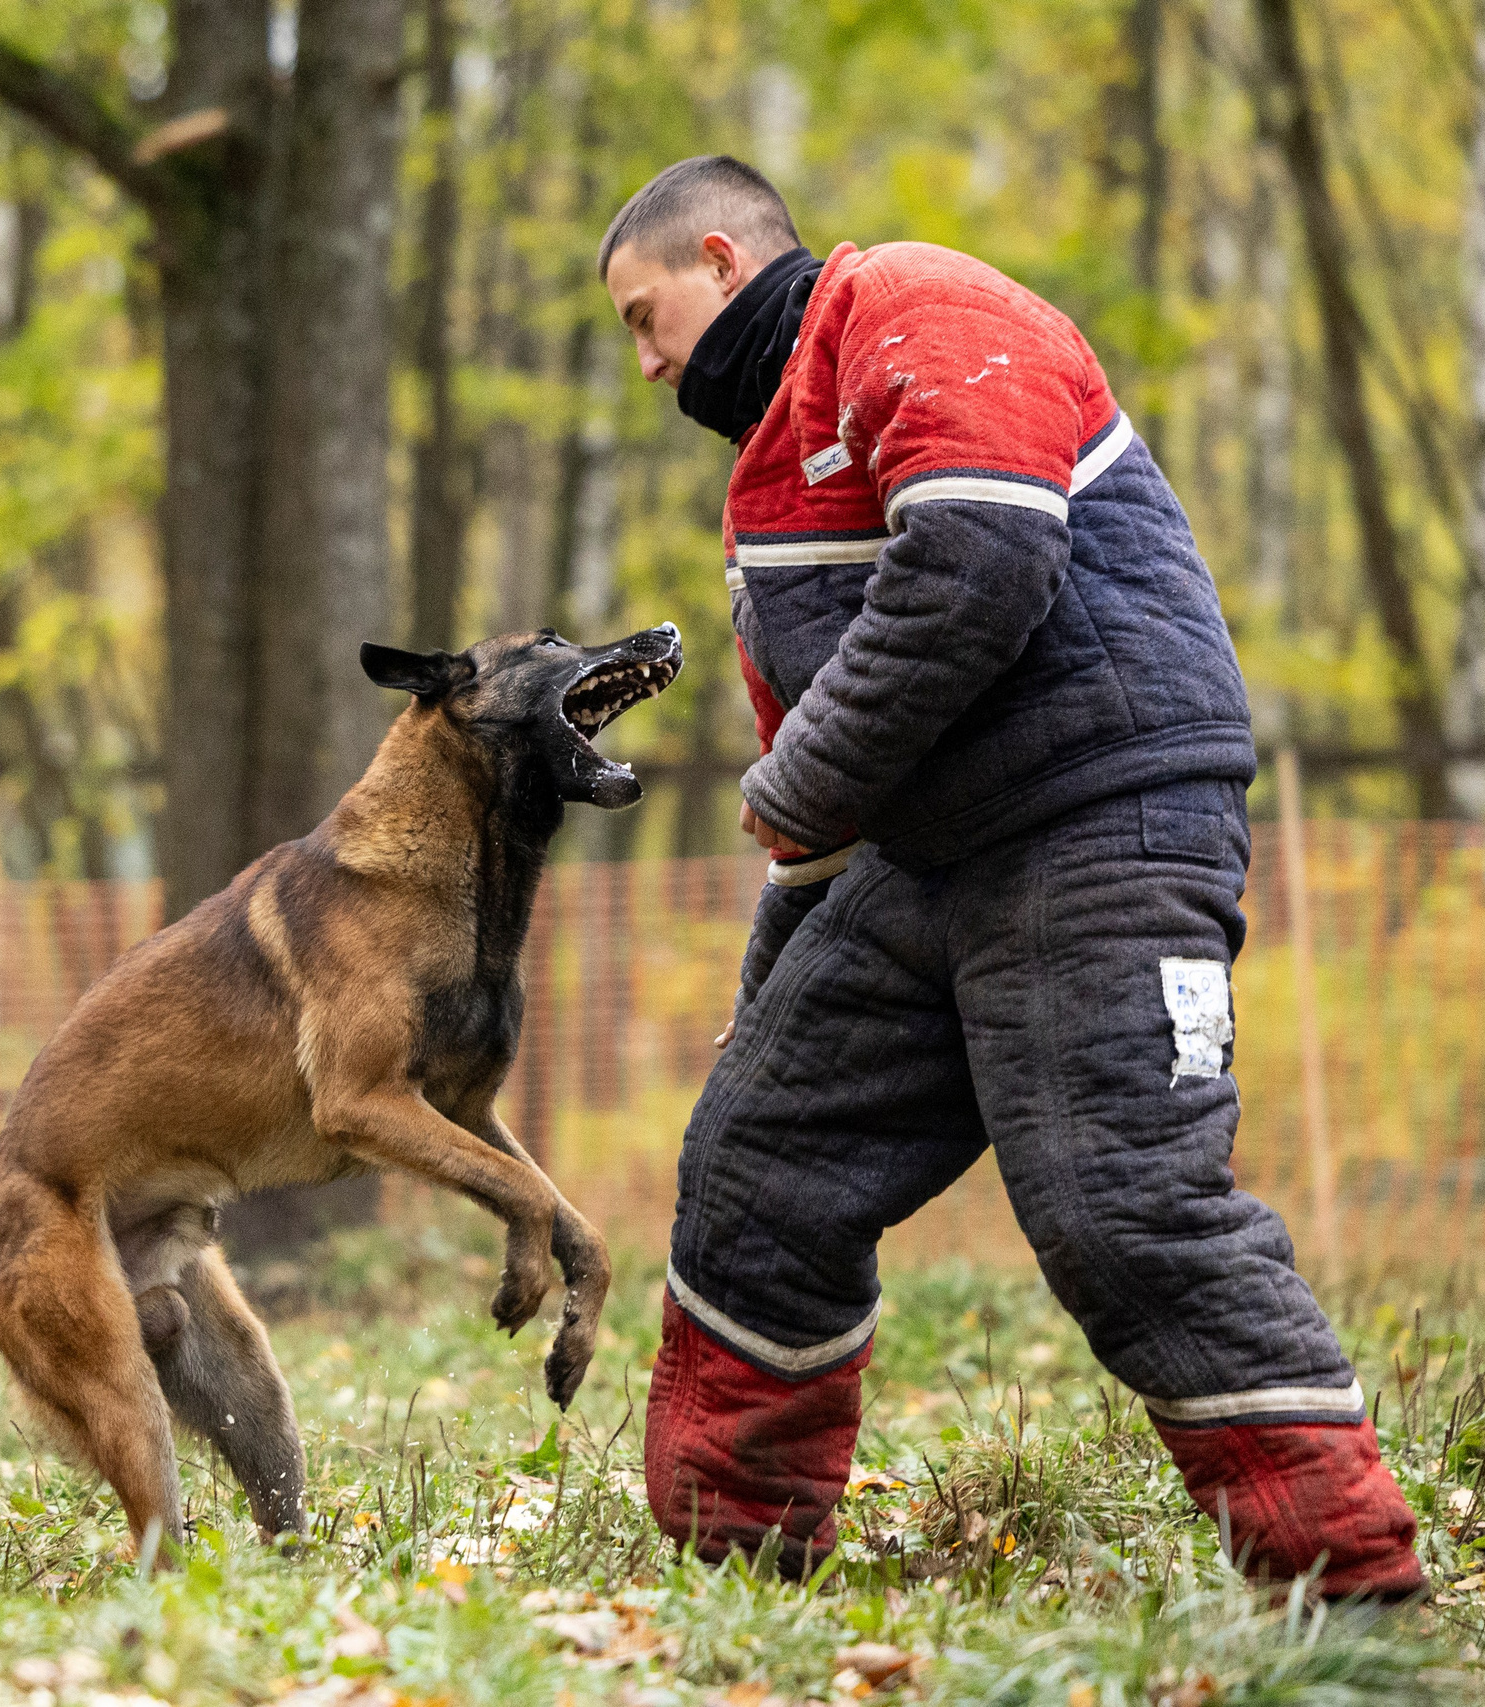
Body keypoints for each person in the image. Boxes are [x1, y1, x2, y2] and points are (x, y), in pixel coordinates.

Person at [599, 154, 1423, 1600]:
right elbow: (819, 819)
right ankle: (738, 1573)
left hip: (1104, 814)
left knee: (1121, 1206)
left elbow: (981, 558)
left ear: (722, 261)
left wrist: (796, 780)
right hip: (933, 858)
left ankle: (1348, 1595)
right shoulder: (771, 489)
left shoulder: (913, 302)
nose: (648, 364)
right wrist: (768, 996)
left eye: (642, 317)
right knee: (759, 1159)